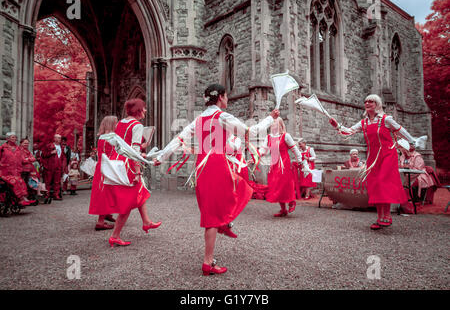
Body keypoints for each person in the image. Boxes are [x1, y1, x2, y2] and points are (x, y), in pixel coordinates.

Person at [155, 83, 279, 275]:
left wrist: (160, 157)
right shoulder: (222, 117)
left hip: (202, 167)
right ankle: (208, 261)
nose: (227, 99)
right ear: (220, 97)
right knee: (227, 201)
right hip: (216, 165)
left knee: (235, 191)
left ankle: (225, 222)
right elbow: (250, 132)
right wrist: (270, 119)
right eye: (226, 96)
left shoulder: (198, 119)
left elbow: (179, 139)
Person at [329, 94, 420, 230]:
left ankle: (387, 216)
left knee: (383, 182)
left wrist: (412, 141)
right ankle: (380, 217)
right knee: (374, 185)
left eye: (371, 101)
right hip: (372, 157)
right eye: (366, 101)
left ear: (377, 104)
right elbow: (348, 132)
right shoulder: (364, 122)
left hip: (388, 155)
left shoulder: (386, 119)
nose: (367, 103)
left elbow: (401, 130)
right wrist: (337, 126)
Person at [92, 102, 161, 244]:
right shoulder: (137, 126)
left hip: (115, 161)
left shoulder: (121, 123)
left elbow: (123, 144)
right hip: (127, 164)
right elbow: (134, 151)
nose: (146, 110)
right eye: (144, 108)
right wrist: (137, 172)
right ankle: (115, 236)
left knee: (139, 192)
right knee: (128, 200)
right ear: (139, 110)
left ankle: (146, 221)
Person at [259, 117, 302, 216]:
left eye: (275, 122)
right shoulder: (268, 137)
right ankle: (283, 209)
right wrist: (256, 155)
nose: (273, 124)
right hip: (273, 164)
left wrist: (299, 160)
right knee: (276, 185)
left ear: (280, 124)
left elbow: (295, 149)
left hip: (284, 163)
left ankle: (292, 201)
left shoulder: (285, 136)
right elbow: (263, 149)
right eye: (272, 122)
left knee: (285, 184)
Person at [0, 132, 36, 206]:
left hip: (16, 171)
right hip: (5, 172)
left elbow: (23, 160)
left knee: (21, 181)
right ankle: (20, 199)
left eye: (15, 137)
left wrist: (28, 159)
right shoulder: (3, 148)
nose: (14, 139)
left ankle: (22, 198)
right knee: (15, 182)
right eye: (12, 137)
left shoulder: (18, 149)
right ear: (7, 139)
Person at [41, 134, 67, 202]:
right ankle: (47, 194)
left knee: (57, 182)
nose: (59, 139)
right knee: (48, 181)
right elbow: (43, 155)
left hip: (58, 167)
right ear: (54, 138)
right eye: (58, 138)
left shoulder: (62, 147)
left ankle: (56, 195)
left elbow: (63, 157)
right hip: (50, 166)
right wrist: (51, 152)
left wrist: (63, 166)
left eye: (60, 138)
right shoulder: (49, 146)